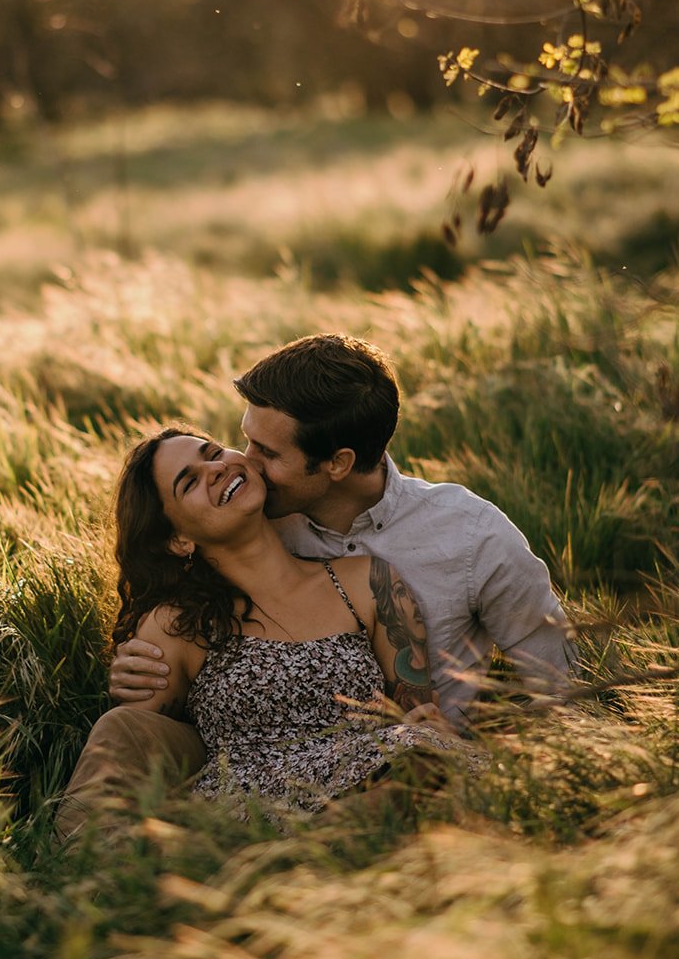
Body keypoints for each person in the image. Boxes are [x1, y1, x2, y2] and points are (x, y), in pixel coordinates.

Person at [56, 336, 573, 839]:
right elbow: (145, 730)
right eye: (243, 441)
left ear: (337, 464)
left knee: (418, 764)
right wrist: (133, 673)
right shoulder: (244, 522)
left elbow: (557, 680)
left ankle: (298, 857)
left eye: (265, 451)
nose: (240, 462)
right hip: (247, 778)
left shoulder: (464, 541)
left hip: (392, 770)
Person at [56, 425, 457, 837]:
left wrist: (424, 733)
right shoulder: (178, 624)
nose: (214, 469)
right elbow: (137, 747)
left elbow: (417, 714)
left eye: (213, 453)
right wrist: (123, 679)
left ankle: (331, 844)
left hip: (372, 776)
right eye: (189, 482)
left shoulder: (367, 580)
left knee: (426, 756)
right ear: (178, 540)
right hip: (252, 811)